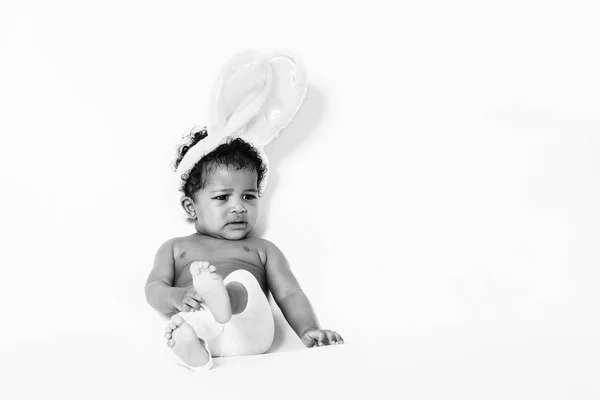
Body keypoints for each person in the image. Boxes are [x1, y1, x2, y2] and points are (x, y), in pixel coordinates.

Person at [145, 128, 343, 371]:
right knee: (181, 326)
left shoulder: (261, 249)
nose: (239, 207)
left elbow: (289, 293)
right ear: (190, 207)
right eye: (222, 197)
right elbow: (154, 288)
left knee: (243, 279)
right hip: (204, 326)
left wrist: (307, 328)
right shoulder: (175, 248)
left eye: (249, 196)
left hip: (250, 333)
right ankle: (194, 352)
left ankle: (225, 297)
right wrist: (176, 296)